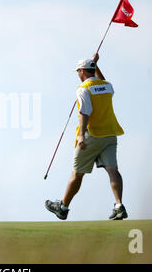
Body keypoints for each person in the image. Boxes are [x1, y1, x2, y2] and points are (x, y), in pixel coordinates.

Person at [45, 53, 128, 220]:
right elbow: (102, 83)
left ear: (82, 71)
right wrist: (95, 65)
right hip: (110, 135)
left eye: (78, 72)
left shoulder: (83, 89)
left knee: (77, 173)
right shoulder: (107, 85)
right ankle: (119, 205)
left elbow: (85, 112)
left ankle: (62, 207)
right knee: (112, 170)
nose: (78, 75)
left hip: (92, 136)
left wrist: (81, 136)